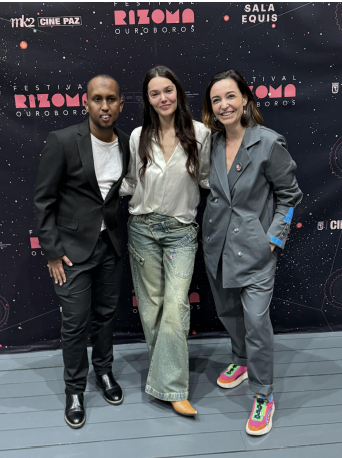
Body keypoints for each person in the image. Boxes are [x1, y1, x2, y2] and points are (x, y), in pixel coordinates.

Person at [202, 69, 302, 435]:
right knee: (229, 314)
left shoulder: (269, 143)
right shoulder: (210, 143)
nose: (224, 105)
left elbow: (290, 197)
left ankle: (263, 395)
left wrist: (273, 239)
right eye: (216, 99)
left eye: (230, 96)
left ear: (245, 98)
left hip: (257, 252)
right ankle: (240, 359)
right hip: (217, 247)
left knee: (257, 323)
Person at [34, 74, 130, 429]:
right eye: (97, 99)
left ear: (121, 103)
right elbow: (43, 200)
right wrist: (52, 252)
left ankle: (104, 373)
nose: (104, 106)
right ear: (85, 102)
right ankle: (74, 389)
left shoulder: (125, 142)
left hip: (110, 247)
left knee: (105, 316)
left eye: (111, 99)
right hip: (71, 253)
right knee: (74, 325)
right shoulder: (62, 141)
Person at [120, 65, 211, 417]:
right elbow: (129, 183)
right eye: (155, 93)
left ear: (178, 92)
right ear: (148, 99)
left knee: (175, 304)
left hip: (180, 231)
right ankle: (168, 382)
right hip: (142, 227)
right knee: (151, 306)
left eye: (168, 90)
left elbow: (206, 180)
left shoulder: (200, 133)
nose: (163, 98)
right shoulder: (138, 136)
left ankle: (170, 387)